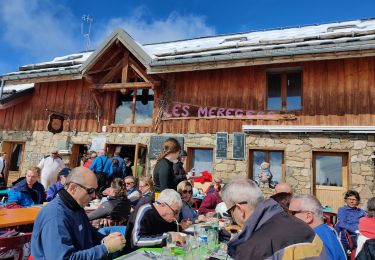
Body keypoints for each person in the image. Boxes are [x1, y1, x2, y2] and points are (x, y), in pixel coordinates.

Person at [221, 177, 327, 260]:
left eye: (230, 212)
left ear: (240, 209)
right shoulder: (301, 226)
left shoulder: (252, 248)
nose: (232, 216)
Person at [31, 167, 125, 259]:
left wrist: (105, 240)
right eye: (90, 191)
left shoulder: (76, 207)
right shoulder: (55, 217)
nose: (94, 195)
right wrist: (105, 248)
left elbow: (89, 234)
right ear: (73, 188)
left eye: (95, 190)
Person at [124, 189, 186, 253]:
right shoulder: (145, 210)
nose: (177, 217)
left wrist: (180, 230)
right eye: (175, 212)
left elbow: (172, 232)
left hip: (157, 254)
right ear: (163, 205)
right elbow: (136, 242)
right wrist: (168, 238)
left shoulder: (167, 216)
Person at [289, 194, 346, 260]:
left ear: (308, 216)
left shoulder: (312, 241)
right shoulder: (327, 232)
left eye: (292, 213)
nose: (287, 217)